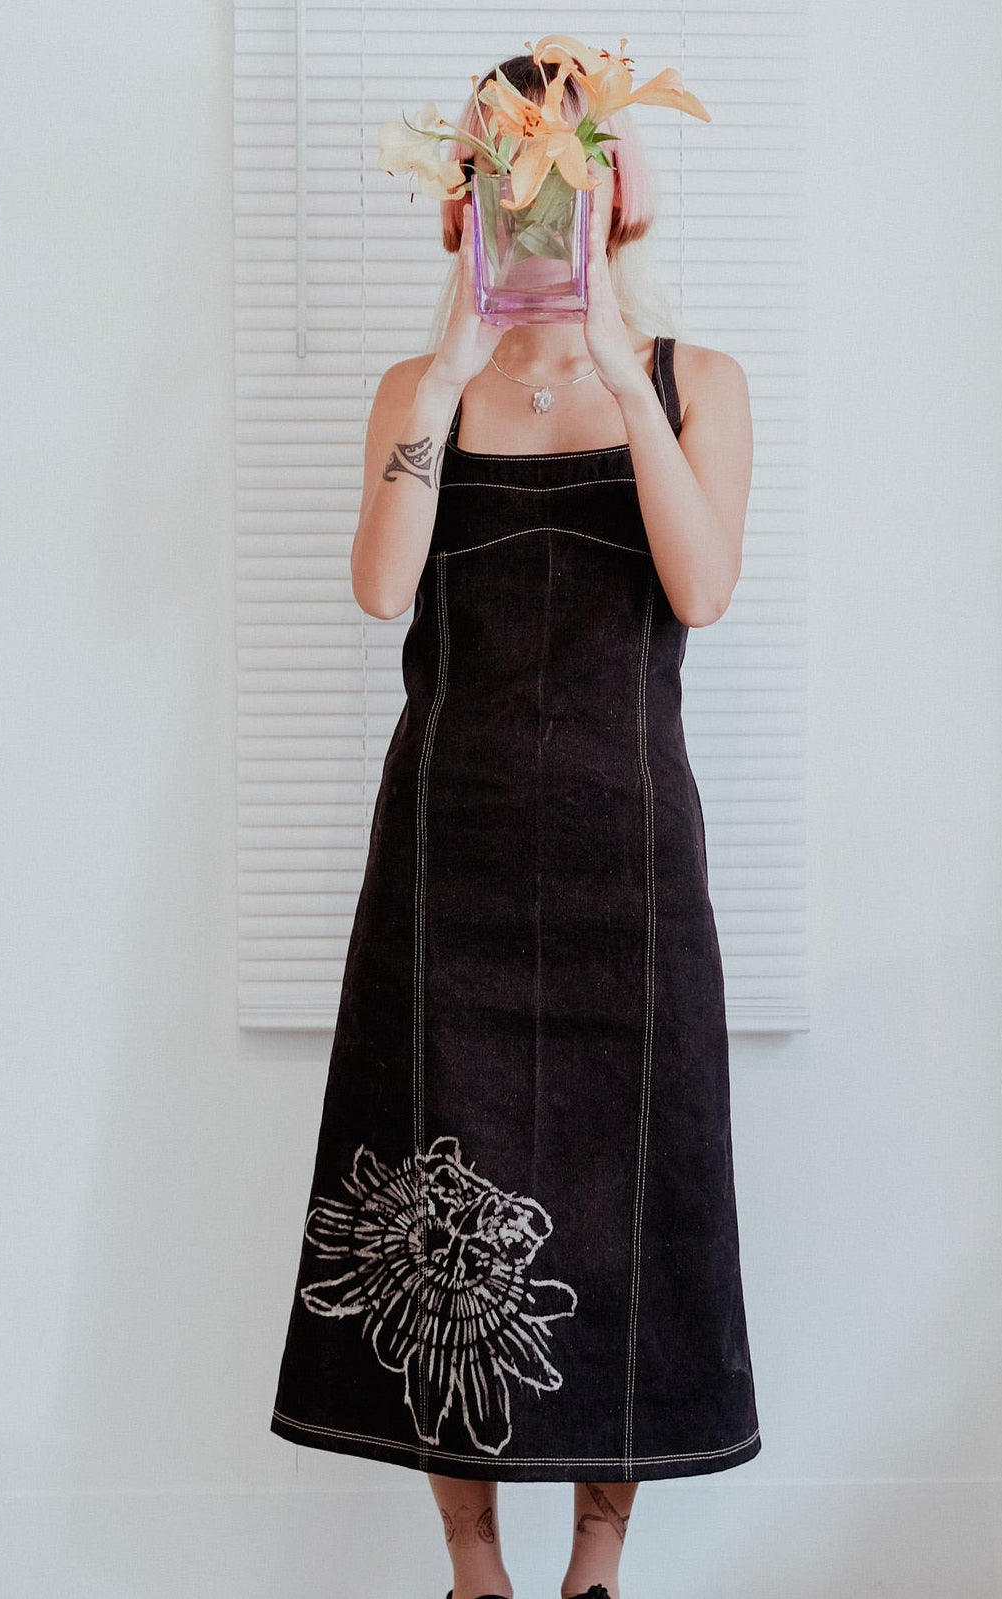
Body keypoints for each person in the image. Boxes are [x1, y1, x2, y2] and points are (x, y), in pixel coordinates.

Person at [270, 54, 759, 1599]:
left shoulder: (695, 381)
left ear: (614, 187)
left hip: (626, 856)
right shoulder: (420, 394)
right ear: (459, 197)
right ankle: (471, 1569)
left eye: (553, 170)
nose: (525, 199)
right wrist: (450, 350)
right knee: (439, 1209)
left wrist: (614, 364)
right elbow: (378, 583)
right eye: (497, 173)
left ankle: (597, 1565)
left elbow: (700, 590)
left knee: (631, 1192)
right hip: (448, 855)